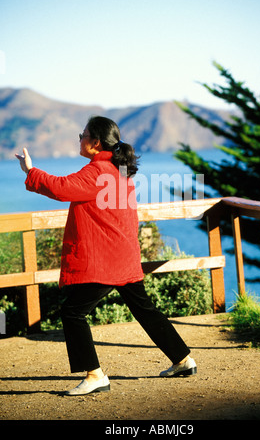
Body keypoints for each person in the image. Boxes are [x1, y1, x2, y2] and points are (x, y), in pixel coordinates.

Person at [16, 116, 197, 396]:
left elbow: (61, 188)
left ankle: (94, 375)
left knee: (73, 313)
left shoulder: (97, 171)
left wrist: (30, 170)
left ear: (95, 142)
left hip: (105, 261)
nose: (80, 138)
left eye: (83, 134)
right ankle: (184, 360)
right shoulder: (119, 170)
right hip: (123, 257)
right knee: (145, 311)